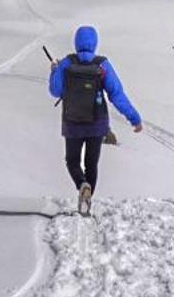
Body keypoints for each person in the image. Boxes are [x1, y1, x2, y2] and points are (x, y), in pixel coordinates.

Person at [49, 25, 142, 215]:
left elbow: (55, 91)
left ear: (76, 42)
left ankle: (82, 184)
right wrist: (134, 118)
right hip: (96, 123)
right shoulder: (102, 65)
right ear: (95, 43)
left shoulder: (66, 63)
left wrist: (54, 71)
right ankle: (87, 201)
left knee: (72, 161)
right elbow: (116, 94)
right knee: (91, 164)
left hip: (72, 123)